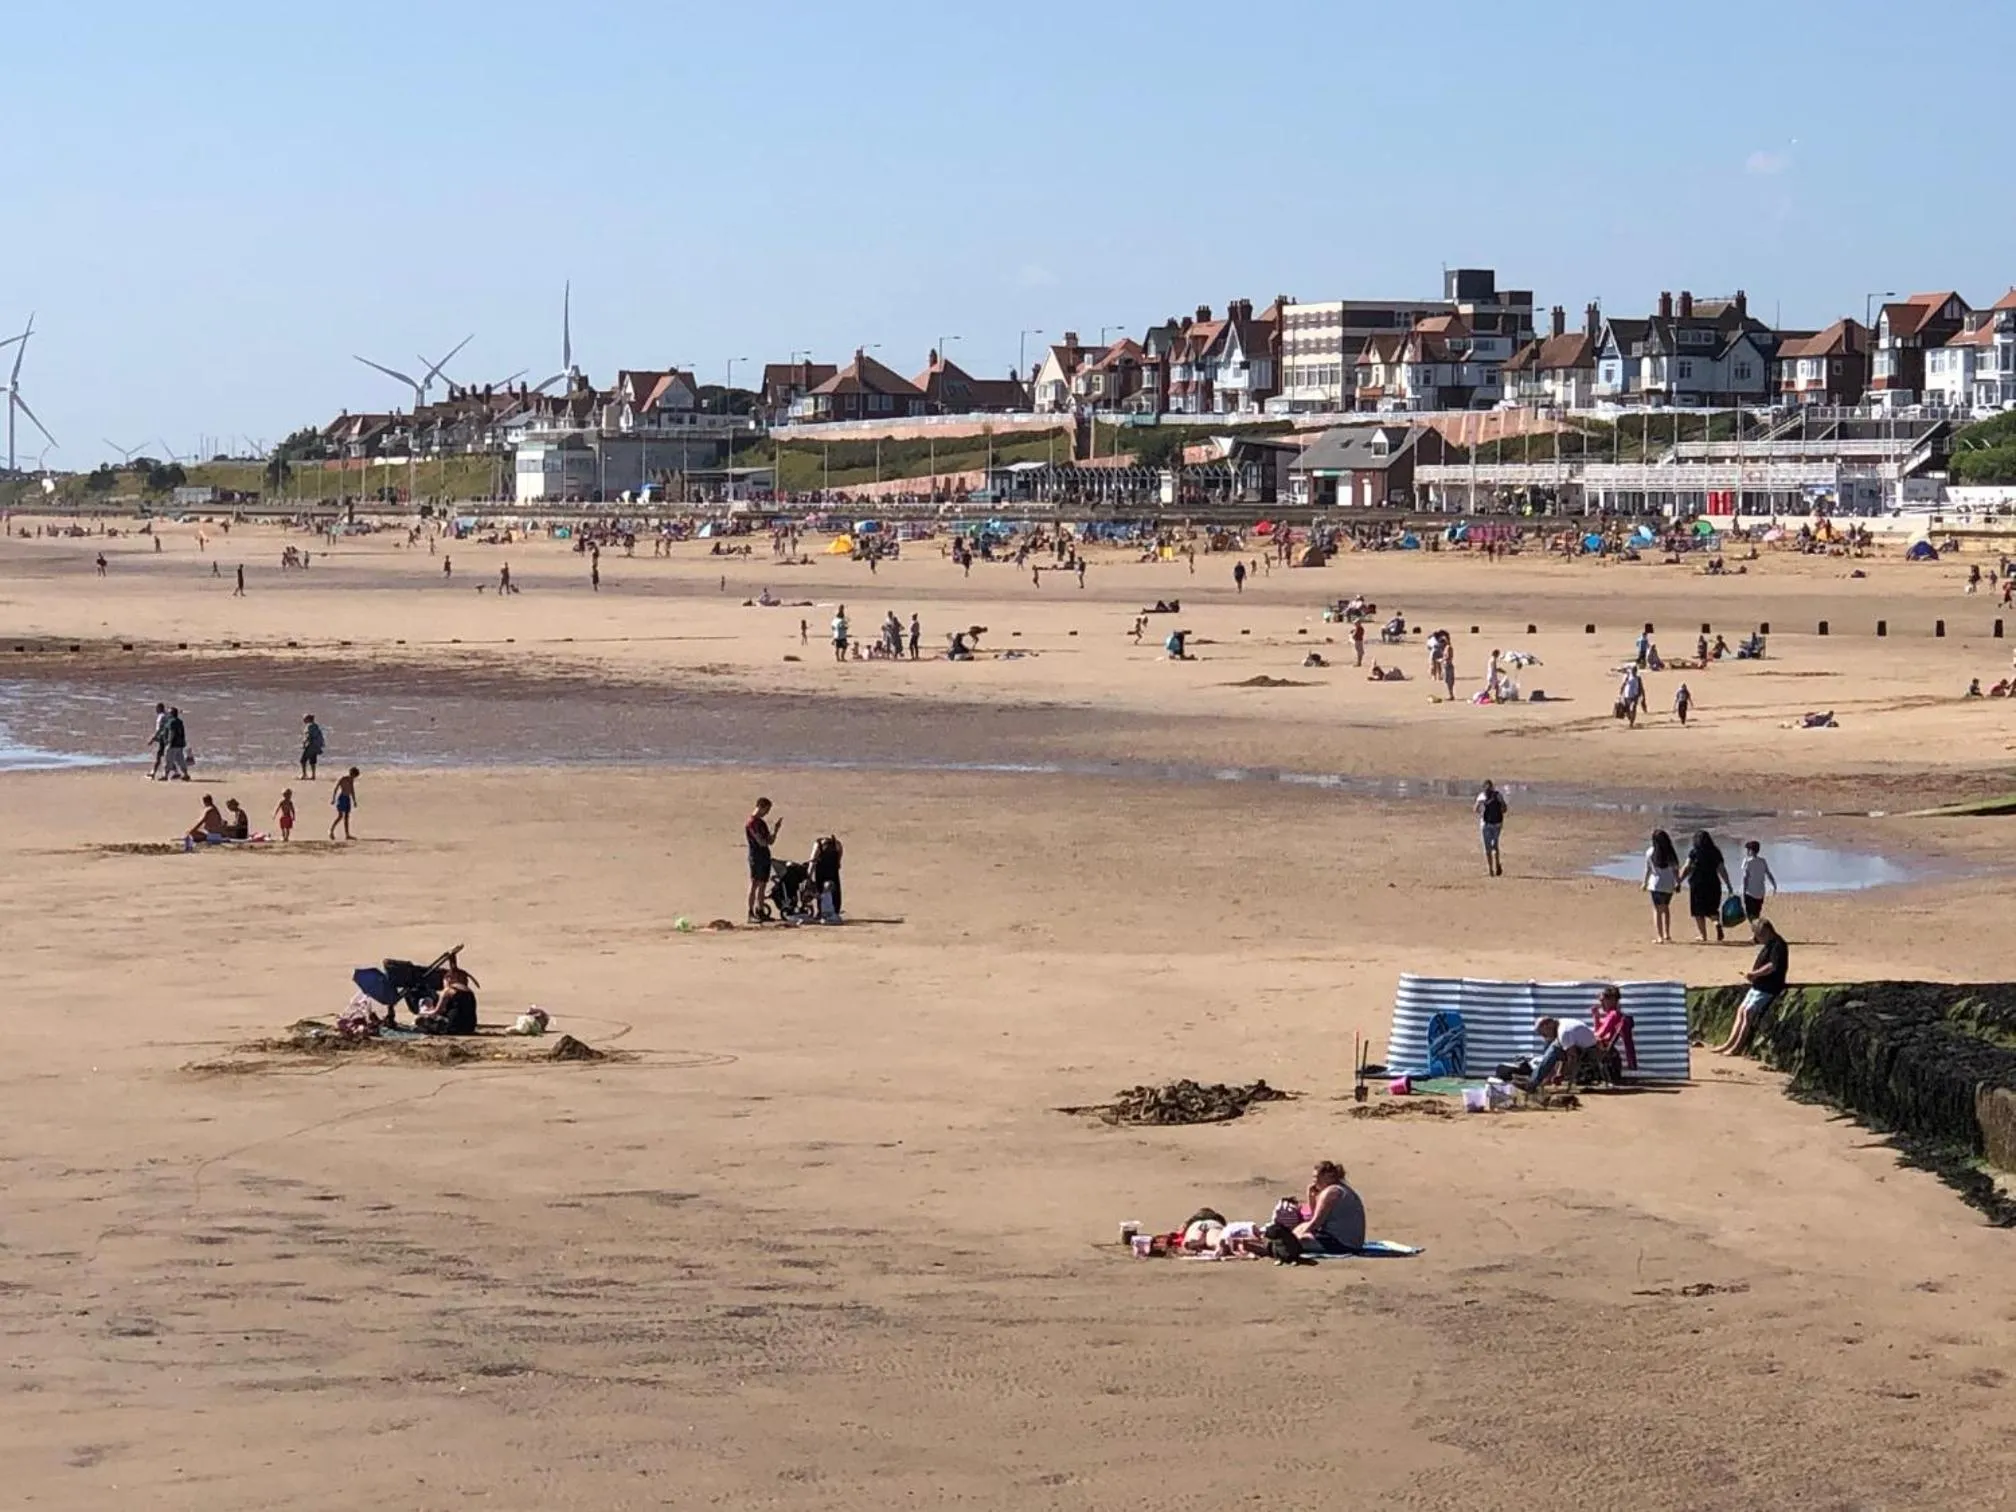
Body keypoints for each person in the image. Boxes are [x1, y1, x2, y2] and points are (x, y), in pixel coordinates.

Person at [1716, 920, 1789, 1055]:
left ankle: (1736, 1047)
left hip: (1769, 987)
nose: (1757, 939)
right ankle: (1729, 1043)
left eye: (1758, 935)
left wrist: (1754, 974)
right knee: (1741, 1010)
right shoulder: (1769, 944)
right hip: (1758, 985)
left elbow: (1772, 966)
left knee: (1748, 1013)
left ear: (1766, 932)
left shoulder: (1778, 945)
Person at [1292, 1161, 1366, 1256]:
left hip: (1344, 1243)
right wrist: (1311, 1197)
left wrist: (1295, 1238)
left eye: (1317, 1177)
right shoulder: (1338, 1189)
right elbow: (1315, 1217)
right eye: (1313, 1177)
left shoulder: (1331, 1192)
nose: (1314, 1181)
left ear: (1328, 1177)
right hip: (1346, 1240)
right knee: (1301, 1228)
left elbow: (1316, 1223)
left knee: (1301, 1240)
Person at [1678, 830, 1732, 943]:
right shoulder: (1715, 852)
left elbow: (1686, 867)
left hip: (1697, 884)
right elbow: (1722, 869)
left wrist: (1678, 881)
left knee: (1698, 911)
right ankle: (1716, 923)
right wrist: (1728, 883)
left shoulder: (1694, 852)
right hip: (1713, 883)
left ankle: (1703, 935)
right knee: (1712, 909)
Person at [1527, 1015, 1599, 1094]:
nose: (1545, 1037)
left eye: (1544, 1034)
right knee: (1553, 1046)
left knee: (1553, 1050)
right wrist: (1560, 1073)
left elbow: (1572, 1056)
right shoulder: (1562, 1024)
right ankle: (1534, 1081)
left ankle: (1532, 1084)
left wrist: (1563, 1075)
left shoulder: (1563, 1032)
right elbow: (1566, 1051)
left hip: (1589, 1052)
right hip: (1587, 1048)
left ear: (1548, 1026)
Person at [1643, 828, 1680, 942]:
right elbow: (1675, 870)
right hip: (1668, 884)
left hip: (1656, 884)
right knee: (1666, 908)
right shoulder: (1671, 853)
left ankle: (1659, 936)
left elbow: (1648, 869)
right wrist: (1677, 881)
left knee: (1657, 910)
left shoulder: (1650, 852)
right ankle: (1667, 934)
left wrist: (1644, 882)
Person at [745, 797, 779, 922]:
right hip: (756, 855)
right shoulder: (752, 823)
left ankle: (760, 910)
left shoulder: (761, 823)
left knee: (763, 884)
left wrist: (775, 830)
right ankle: (751, 912)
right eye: (767, 809)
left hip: (764, 856)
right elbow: (761, 842)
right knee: (755, 883)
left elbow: (769, 841)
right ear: (761, 806)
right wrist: (764, 841)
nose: (767, 813)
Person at [1739, 840, 1779, 938]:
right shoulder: (1762, 861)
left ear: (1751, 851)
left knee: (1750, 914)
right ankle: (1757, 932)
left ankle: (1756, 933)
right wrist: (1774, 884)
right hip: (1760, 891)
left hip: (1749, 891)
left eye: (1748, 849)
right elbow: (1768, 873)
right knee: (1756, 913)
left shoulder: (1747, 862)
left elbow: (1745, 877)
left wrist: (1743, 890)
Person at [1474, 779, 1507, 877]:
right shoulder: (1498, 795)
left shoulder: (1482, 796)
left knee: (1487, 848)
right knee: (1495, 846)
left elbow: (1475, 809)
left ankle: (1490, 869)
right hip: (1497, 823)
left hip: (1486, 824)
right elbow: (1505, 809)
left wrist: (1482, 810)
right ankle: (1496, 865)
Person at [809, 833, 844, 917]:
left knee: (821, 890)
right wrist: (838, 862)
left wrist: (809, 875)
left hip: (822, 871)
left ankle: (822, 911)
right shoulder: (836, 844)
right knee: (834, 891)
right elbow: (840, 853)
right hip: (833, 870)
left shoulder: (818, 844)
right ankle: (835, 910)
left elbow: (812, 860)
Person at [328, 768, 360, 841]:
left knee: (346, 817)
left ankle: (347, 834)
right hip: (342, 798)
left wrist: (354, 800)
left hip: (347, 798)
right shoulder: (343, 779)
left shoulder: (351, 780)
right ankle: (331, 831)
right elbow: (336, 788)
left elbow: (352, 790)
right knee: (340, 816)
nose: (354, 778)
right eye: (354, 776)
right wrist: (333, 799)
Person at [162, 706, 190, 781]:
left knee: (168, 760)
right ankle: (186, 774)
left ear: (171, 714)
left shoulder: (171, 722)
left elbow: (172, 732)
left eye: (168, 713)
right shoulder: (179, 721)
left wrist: (169, 743)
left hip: (173, 745)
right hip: (179, 745)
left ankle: (165, 775)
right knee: (180, 760)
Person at [148, 702, 170, 780]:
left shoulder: (161, 717)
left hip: (163, 738)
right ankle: (175, 771)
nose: (156, 710)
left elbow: (159, 729)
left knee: (159, 755)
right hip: (168, 738)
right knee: (166, 755)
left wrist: (152, 739)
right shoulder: (167, 715)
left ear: (159, 708)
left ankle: (153, 772)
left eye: (156, 708)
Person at [300, 714, 325, 780]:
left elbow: (309, 736)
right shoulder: (315, 726)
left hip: (310, 745)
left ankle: (304, 774)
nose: (303, 720)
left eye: (305, 719)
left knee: (303, 760)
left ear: (308, 719)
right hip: (315, 746)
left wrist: (305, 743)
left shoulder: (309, 726)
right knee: (313, 761)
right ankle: (313, 775)